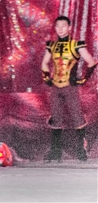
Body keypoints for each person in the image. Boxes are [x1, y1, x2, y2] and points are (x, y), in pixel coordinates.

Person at [41, 15, 96, 162]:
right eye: (57, 26)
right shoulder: (52, 45)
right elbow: (44, 63)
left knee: (77, 117)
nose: (60, 29)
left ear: (69, 27)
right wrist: (46, 77)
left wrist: (83, 79)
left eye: (63, 26)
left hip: (70, 87)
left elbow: (91, 61)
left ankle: (81, 151)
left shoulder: (76, 45)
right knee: (56, 118)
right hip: (56, 87)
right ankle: (55, 152)